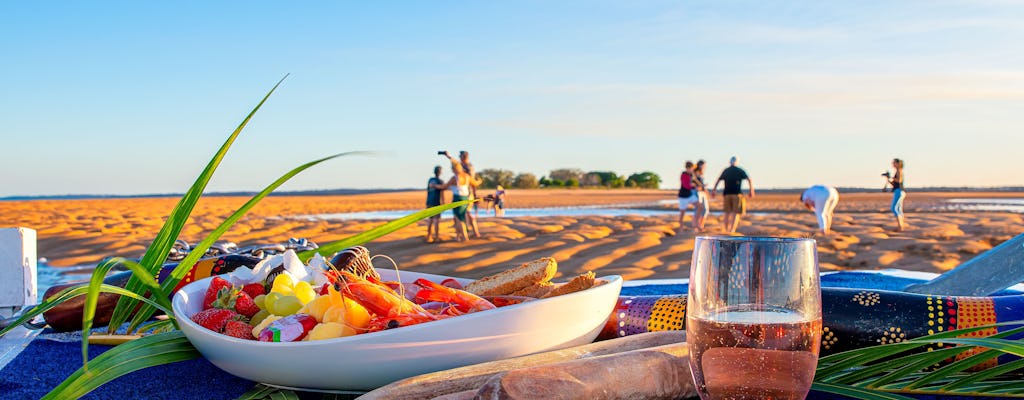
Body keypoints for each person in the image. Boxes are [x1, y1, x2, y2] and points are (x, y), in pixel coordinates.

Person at [712, 156, 755, 234]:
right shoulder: (739, 170)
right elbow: (749, 179)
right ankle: (731, 230)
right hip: (736, 194)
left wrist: (714, 190)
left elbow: (718, 180)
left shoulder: (726, 170)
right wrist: (751, 190)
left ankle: (726, 229)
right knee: (734, 212)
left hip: (727, 194)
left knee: (727, 212)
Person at [436, 154, 473, 242]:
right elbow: (474, 183)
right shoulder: (467, 176)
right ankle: (459, 236)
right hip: (465, 199)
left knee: (458, 218)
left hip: (458, 199)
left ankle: (464, 237)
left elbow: (444, 186)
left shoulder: (455, 178)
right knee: (461, 217)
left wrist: (434, 186)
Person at [459, 150, 483, 238]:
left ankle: (475, 232)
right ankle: (471, 231)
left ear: (464, 157)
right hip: (467, 192)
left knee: (467, 212)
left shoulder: (467, 167)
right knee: (465, 212)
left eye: (460, 156)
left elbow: (471, 181)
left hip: (467, 193)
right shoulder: (467, 166)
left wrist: (474, 194)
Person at [885, 158, 907, 231]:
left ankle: (900, 226)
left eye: (894, 163)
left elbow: (899, 180)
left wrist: (891, 177)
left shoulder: (899, 171)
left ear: (898, 163)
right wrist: (888, 178)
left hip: (899, 191)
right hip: (899, 191)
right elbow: (894, 184)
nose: (893, 164)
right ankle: (901, 226)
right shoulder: (897, 171)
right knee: (898, 209)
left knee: (894, 208)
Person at [425, 165, 446, 243]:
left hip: (429, 202)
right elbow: (442, 192)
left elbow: (428, 191)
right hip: (436, 202)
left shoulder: (430, 180)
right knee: (436, 220)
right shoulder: (440, 181)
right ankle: (436, 237)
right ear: (440, 172)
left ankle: (429, 236)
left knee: (430, 219)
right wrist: (443, 202)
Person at [677, 161, 699, 228]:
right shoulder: (684, 174)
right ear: (688, 168)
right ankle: (681, 229)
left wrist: (701, 185)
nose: (693, 169)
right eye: (692, 168)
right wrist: (693, 185)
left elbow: (696, 181)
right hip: (683, 196)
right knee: (682, 213)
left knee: (700, 206)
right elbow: (686, 185)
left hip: (689, 195)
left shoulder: (691, 174)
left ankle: (695, 222)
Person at [693, 160, 710, 232]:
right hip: (697, 192)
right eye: (703, 165)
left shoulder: (701, 173)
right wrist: (701, 186)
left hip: (702, 192)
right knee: (698, 209)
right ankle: (696, 226)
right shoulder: (695, 173)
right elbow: (694, 183)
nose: (704, 167)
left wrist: (704, 188)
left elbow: (701, 183)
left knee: (705, 209)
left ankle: (701, 225)